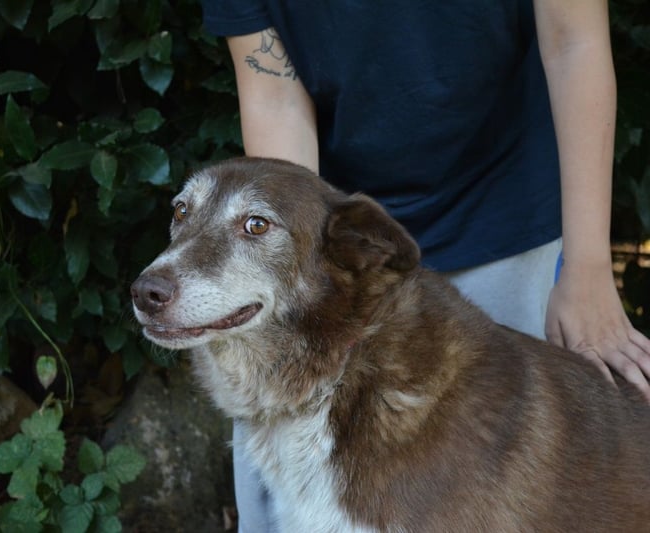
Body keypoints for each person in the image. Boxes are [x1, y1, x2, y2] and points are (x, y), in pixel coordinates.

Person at [199, 1, 650, 531]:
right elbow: (275, 96)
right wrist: (298, 277)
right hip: (341, 230)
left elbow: (574, 42)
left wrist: (588, 268)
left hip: (503, 206)